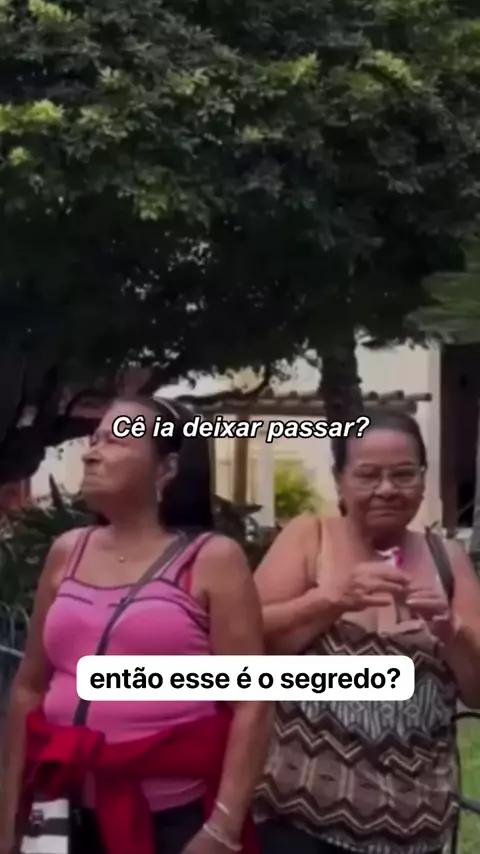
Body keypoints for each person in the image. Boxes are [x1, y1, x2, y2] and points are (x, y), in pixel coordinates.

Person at [0, 396, 271, 854]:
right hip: (62, 810)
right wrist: (10, 819)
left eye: (116, 440)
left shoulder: (212, 560)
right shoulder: (67, 551)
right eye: (95, 439)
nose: (91, 453)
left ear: (166, 469)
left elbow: (251, 701)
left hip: (169, 821)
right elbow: (29, 687)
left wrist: (222, 831)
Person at [253, 409, 480, 854]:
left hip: (416, 827)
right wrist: (330, 601)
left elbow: (477, 692)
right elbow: (242, 643)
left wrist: (451, 631)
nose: (387, 489)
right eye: (368, 475)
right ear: (340, 481)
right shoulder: (310, 538)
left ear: (423, 479)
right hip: (300, 824)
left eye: (404, 474)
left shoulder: (447, 559)